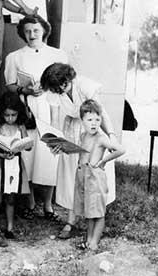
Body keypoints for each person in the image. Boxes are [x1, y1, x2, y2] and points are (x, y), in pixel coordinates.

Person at [39, 62, 119, 239]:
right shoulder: (57, 92)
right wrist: (56, 140)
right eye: (57, 89)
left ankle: (96, 219)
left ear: (69, 78)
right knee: (71, 175)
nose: (62, 89)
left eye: (64, 85)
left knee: (92, 175)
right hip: (71, 131)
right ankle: (71, 220)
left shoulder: (85, 85)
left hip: (91, 129)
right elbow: (57, 118)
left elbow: (101, 113)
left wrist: (111, 134)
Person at [4, 14, 68, 220]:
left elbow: (65, 83)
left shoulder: (58, 54)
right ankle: (31, 202)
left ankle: (48, 205)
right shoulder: (15, 57)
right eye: (28, 31)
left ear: (44, 32)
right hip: (28, 109)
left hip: (51, 108)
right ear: (23, 32)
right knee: (29, 155)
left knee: (50, 154)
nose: (32, 35)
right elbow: (10, 86)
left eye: (36, 30)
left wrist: (47, 87)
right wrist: (26, 90)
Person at [73, 99, 125, 250]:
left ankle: (94, 243)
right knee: (89, 212)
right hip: (84, 177)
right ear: (82, 120)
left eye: (97, 119)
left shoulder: (101, 138)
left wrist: (104, 161)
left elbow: (121, 150)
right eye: (89, 120)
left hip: (96, 180)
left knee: (98, 212)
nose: (94, 123)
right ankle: (89, 240)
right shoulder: (83, 136)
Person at [0, 92, 32, 247]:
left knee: (11, 198)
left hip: (15, 165)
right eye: (7, 115)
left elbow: (28, 146)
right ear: (1, 113)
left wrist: (23, 145)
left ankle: (10, 228)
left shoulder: (20, 126)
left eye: (13, 115)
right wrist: (1, 154)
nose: (10, 118)